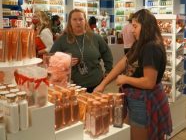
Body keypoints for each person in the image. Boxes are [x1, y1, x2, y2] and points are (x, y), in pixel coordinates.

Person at [94, 9, 172, 140]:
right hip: (137, 100)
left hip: (144, 101)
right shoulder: (140, 43)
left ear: (146, 26)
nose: (131, 30)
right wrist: (103, 84)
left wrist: (125, 79)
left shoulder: (150, 47)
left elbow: (149, 82)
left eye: (135, 26)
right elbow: (122, 63)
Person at [50, 9, 113, 93]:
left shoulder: (95, 37)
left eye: (81, 19)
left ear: (85, 21)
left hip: (97, 84)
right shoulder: (62, 40)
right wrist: (65, 62)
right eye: (75, 19)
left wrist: (108, 71)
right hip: (73, 86)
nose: (78, 22)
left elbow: (106, 53)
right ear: (70, 22)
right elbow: (51, 59)